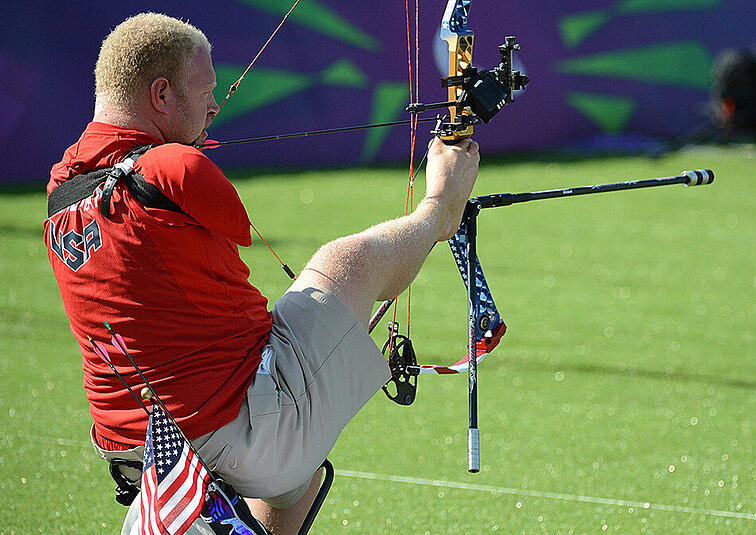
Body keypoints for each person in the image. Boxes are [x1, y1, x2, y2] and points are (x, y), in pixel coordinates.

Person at [44, 12, 479, 535]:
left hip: (128, 446)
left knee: (296, 476)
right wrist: (430, 216)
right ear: (160, 95)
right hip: (218, 435)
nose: (213, 106)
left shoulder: (61, 188)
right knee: (345, 264)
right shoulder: (175, 170)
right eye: (205, 91)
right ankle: (442, 204)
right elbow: (230, 245)